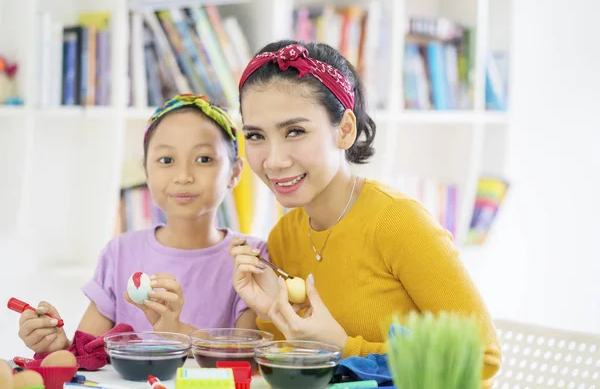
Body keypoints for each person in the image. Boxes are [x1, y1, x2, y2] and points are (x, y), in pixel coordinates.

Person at [230, 41, 502, 384]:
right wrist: (270, 310)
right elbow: (307, 372)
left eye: (295, 131)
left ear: (345, 129)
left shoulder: (398, 223)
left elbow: (483, 357)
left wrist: (343, 346)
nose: (273, 160)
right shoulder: (284, 235)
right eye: (255, 136)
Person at [17, 94, 268, 354]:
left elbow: (247, 358)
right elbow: (84, 354)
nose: (183, 176)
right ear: (146, 171)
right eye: (166, 160)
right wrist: (57, 346)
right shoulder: (120, 252)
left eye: (204, 159)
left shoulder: (251, 258)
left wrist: (177, 330)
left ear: (235, 172)